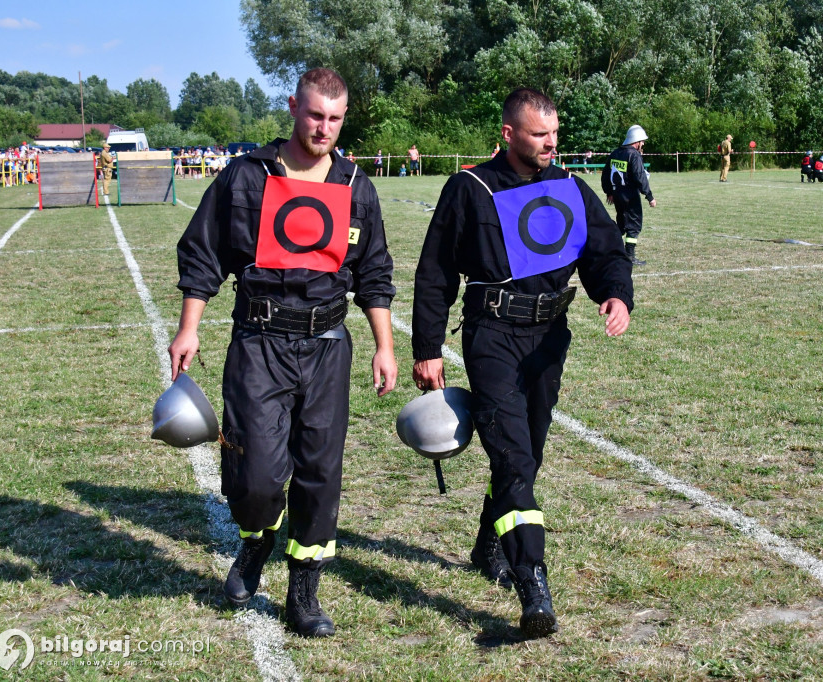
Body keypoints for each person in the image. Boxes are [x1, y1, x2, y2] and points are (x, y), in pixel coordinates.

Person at [167, 67, 398, 638]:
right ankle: (255, 541)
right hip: (258, 343)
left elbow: (373, 273)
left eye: (335, 119)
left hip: (326, 348)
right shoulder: (245, 178)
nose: (324, 128)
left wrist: (384, 345)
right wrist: (188, 328)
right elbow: (203, 254)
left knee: (319, 471)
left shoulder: (354, 186)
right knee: (258, 476)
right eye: (315, 114)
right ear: (294, 106)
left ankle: (304, 589)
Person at [411, 87, 634, 640]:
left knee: (526, 452)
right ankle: (532, 579)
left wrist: (615, 294)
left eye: (554, 134)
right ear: (508, 134)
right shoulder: (469, 188)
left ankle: (490, 540)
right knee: (511, 456)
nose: (550, 144)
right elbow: (436, 272)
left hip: (548, 338)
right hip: (491, 337)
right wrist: (427, 349)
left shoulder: (569, 188)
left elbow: (604, 251)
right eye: (539, 135)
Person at [601, 124, 656, 265]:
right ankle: (629, 256)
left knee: (621, 224)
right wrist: (649, 196)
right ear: (636, 141)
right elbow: (640, 177)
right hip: (630, 196)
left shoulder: (615, 153)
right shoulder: (634, 155)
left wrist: (609, 192)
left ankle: (609, 249)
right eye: (642, 141)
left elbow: (605, 174)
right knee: (634, 226)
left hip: (618, 196)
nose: (643, 144)